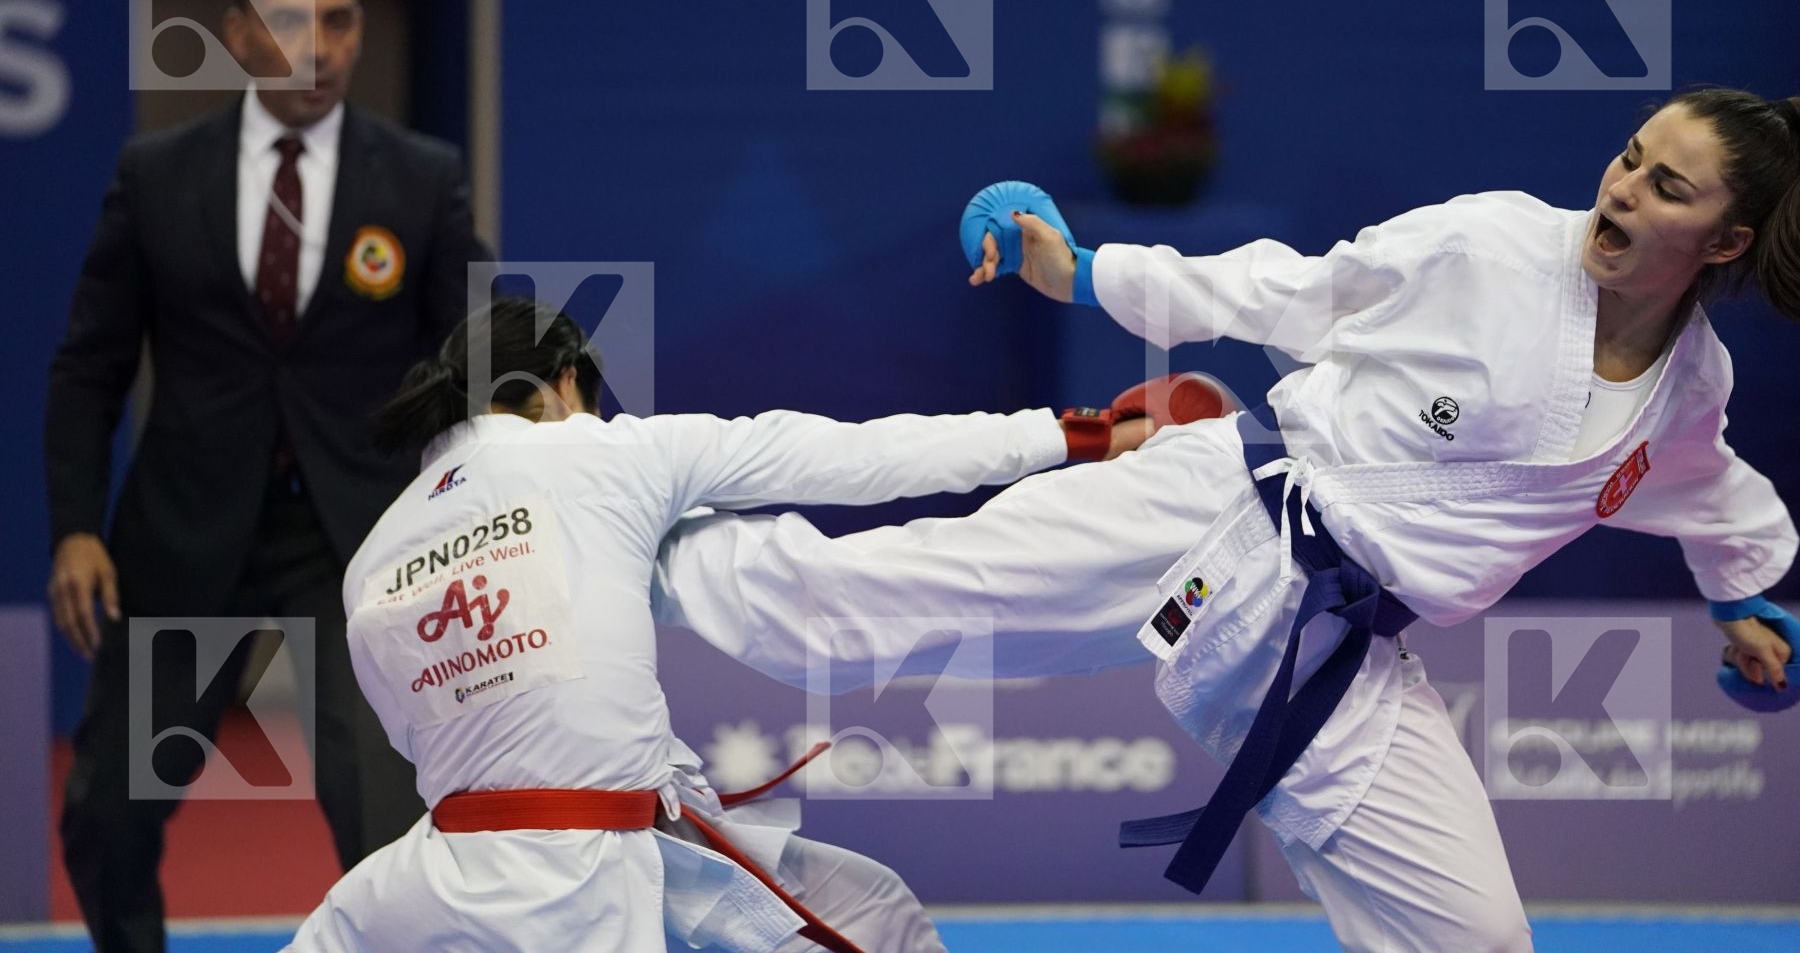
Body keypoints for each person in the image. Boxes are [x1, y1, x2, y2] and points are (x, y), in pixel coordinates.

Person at [655, 89, 1800, 952]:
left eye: (1666, 189)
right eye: (1629, 156)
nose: (1622, 189)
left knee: (1479, 938)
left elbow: (1710, 484)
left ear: (1727, 241)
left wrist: (1746, 598)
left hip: (1338, 656)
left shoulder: (1689, 385)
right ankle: (634, 539)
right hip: (1217, 517)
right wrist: (1087, 272)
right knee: (853, 605)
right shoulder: (1496, 243)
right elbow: (1293, 291)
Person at [282, 297, 1153, 953]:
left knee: (871, 911)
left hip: (435, 875)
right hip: (584, 878)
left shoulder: (371, 559)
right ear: (564, 384)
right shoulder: (610, 451)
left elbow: (425, 738)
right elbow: (858, 457)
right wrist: (1076, 436)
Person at [46, 0, 491, 952]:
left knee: (388, 833)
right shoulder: (158, 176)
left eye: (338, 22)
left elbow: (469, 362)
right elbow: (88, 368)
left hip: (359, 548)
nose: (318, 46)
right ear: (239, 35)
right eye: (289, 21)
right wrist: (76, 527)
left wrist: (471, 513)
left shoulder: (422, 180)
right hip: (185, 535)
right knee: (107, 816)